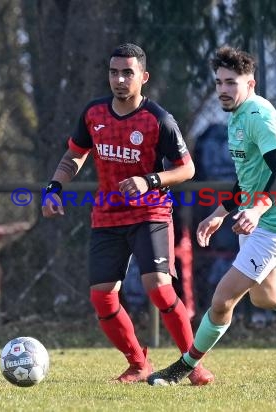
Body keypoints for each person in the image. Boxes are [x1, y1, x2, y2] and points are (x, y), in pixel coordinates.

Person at [147, 46, 276, 386]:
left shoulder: (260, 117)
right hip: (258, 217)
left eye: (231, 82)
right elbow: (247, 178)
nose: (223, 89)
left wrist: (259, 208)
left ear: (251, 83)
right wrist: (219, 213)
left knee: (221, 300)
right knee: (267, 296)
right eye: (218, 82)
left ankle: (184, 367)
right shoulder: (236, 117)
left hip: (275, 223)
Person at [41, 43, 214, 385]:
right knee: (102, 297)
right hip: (107, 217)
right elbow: (73, 156)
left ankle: (193, 365)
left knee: (160, 288)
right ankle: (138, 363)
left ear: (143, 77)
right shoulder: (93, 114)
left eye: (127, 73)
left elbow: (187, 169)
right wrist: (54, 188)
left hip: (151, 212)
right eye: (114, 72)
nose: (119, 79)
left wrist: (149, 180)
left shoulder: (158, 120)